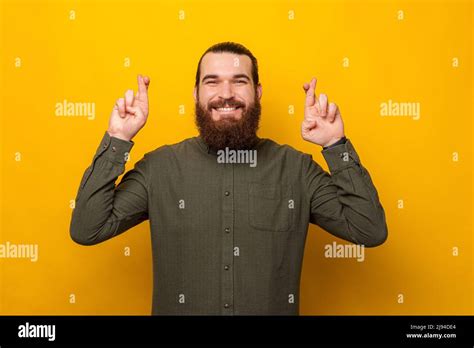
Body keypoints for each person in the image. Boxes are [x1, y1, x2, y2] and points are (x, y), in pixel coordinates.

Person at [70, 42, 388, 315]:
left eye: (239, 81)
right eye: (212, 82)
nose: (226, 94)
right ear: (196, 93)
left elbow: (369, 230)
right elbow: (88, 228)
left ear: (257, 92)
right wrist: (117, 138)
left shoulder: (297, 169)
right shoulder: (160, 168)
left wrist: (335, 146)